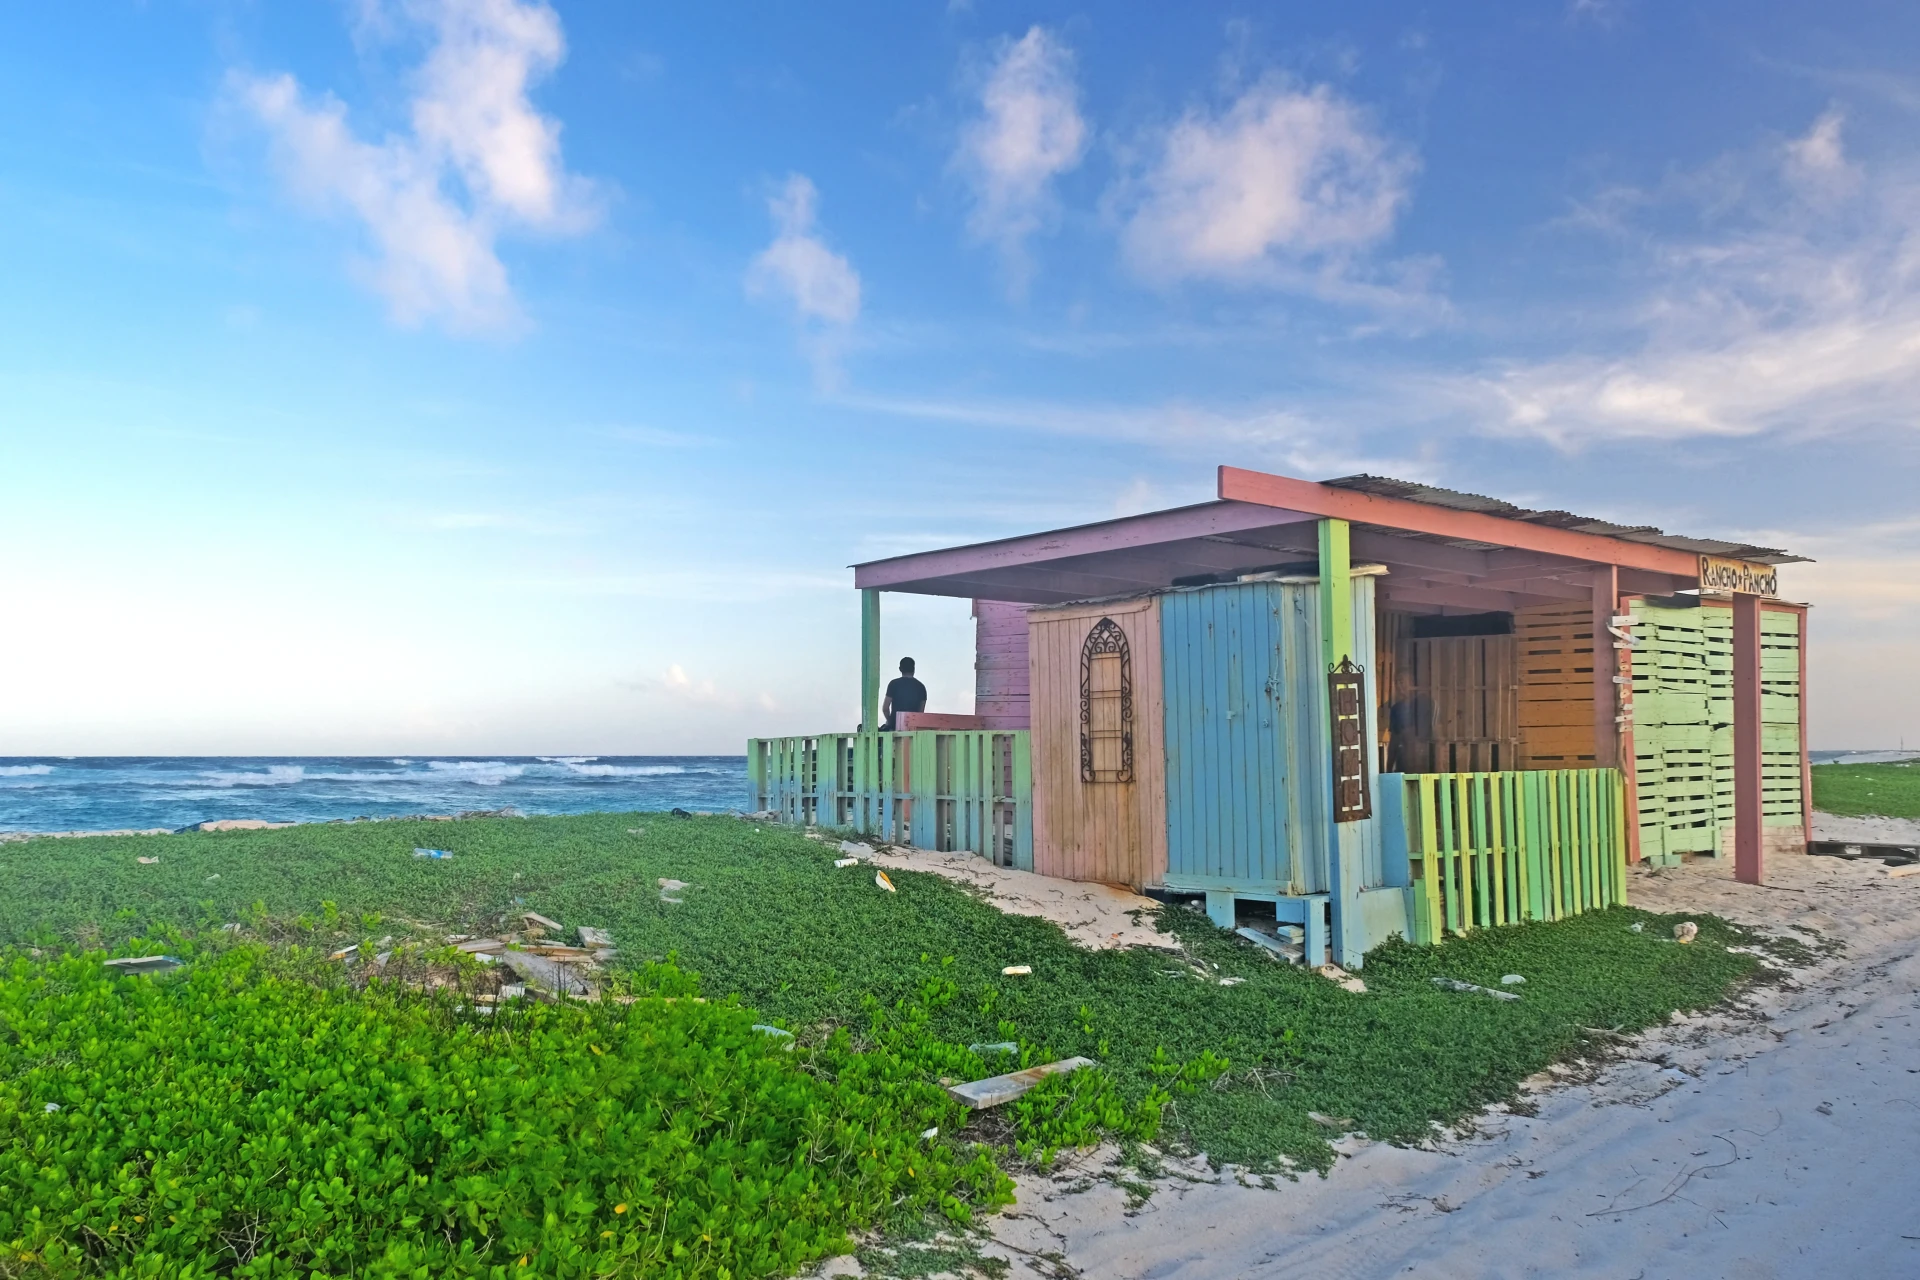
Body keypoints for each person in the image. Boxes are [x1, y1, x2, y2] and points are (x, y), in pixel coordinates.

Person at [881, 657, 928, 732]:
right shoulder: (921, 687)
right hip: (913, 731)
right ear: (913, 669)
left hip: (895, 729)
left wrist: (891, 722)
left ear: (900, 669)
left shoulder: (893, 684)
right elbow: (920, 713)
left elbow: (885, 709)